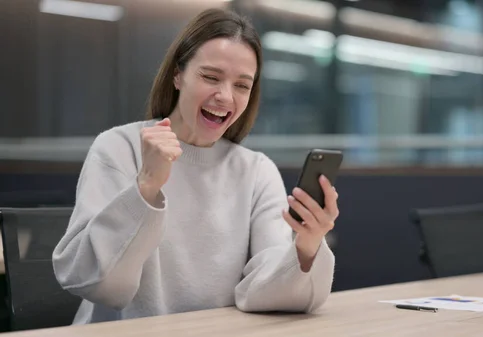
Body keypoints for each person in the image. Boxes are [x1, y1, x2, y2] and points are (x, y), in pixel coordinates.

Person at [52, 8, 338, 324]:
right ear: (178, 75)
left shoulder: (256, 171)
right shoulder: (118, 148)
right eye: (211, 77)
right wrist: (146, 187)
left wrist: (307, 247)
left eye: (242, 85)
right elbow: (97, 285)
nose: (225, 97)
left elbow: (262, 293)